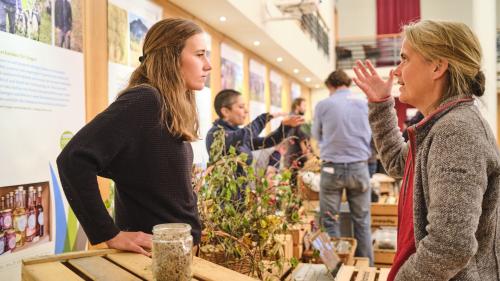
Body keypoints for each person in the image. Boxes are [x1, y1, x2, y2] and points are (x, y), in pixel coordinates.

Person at [353, 20, 500, 281]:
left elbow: (450, 246)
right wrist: (380, 104)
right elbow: (400, 163)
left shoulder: (456, 131)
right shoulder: (445, 123)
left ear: (437, 66)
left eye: (405, 59)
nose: (397, 71)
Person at [57, 18, 212, 256]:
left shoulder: (167, 107)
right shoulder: (146, 100)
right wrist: (108, 233)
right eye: (200, 54)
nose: (208, 65)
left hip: (176, 253)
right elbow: (73, 159)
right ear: (171, 57)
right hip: (153, 257)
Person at [312, 69, 374, 264]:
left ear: (330, 86)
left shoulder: (323, 104)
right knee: (362, 221)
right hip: (359, 167)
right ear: (348, 84)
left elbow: (316, 135)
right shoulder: (364, 104)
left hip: (332, 169)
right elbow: (372, 135)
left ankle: (335, 270)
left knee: (330, 220)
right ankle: (367, 268)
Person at [206, 89, 303, 168]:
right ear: (225, 111)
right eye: (241, 107)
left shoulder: (236, 133)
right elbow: (244, 135)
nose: (246, 111)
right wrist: (266, 117)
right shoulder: (216, 134)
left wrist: (285, 126)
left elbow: (267, 141)